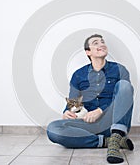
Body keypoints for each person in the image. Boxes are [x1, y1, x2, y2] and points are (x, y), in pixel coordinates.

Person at [47, 34, 134, 164]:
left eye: (103, 42)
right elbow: (73, 101)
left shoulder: (120, 70)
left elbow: (124, 98)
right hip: (87, 123)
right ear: (88, 52)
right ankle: (105, 141)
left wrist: (100, 110)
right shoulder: (78, 75)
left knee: (125, 86)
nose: (101, 44)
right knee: (53, 129)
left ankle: (116, 137)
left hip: (112, 121)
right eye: (96, 43)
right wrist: (67, 112)